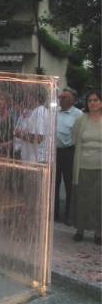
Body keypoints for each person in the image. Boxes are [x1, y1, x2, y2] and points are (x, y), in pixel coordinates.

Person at [72, 89, 102, 245]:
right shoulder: (81, 120)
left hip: (100, 168)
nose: (93, 103)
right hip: (83, 166)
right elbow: (74, 138)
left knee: (99, 201)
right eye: (90, 100)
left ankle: (98, 232)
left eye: (96, 100)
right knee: (82, 200)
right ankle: (80, 230)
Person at [55, 87, 82, 224]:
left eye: (63, 97)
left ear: (71, 100)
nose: (60, 99)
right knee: (54, 183)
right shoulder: (56, 112)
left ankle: (68, 216)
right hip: (55, 152)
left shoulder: (78, 115)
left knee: (69, 184)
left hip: (68, 152)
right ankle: (54, 214)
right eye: (60, 97)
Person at [0, 91, 15, 158]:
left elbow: (16, 140)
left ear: (7, 102)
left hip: (6, 155)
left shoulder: (10, 119)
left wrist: (4, 145)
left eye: (2, 99)